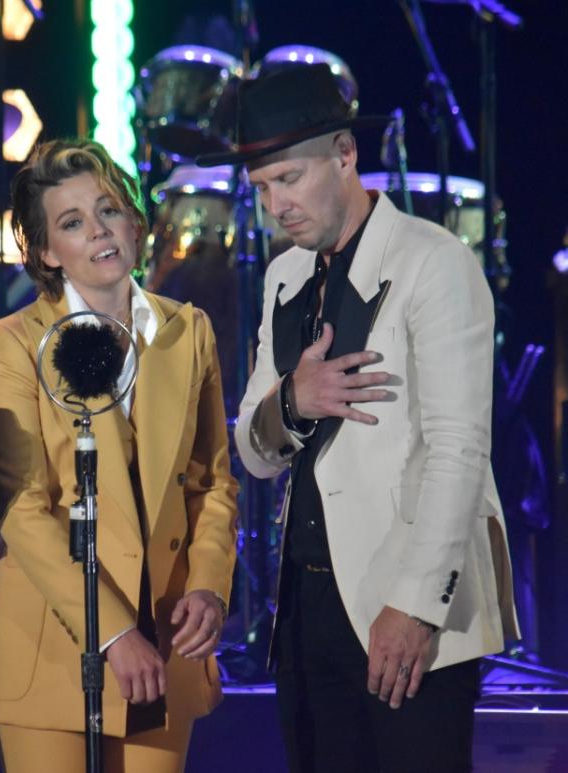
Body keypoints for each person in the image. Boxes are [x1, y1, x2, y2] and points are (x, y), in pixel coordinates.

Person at [197, 64, 519, 772]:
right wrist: (292, 401)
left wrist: (414, 605)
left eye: (288, 179)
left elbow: (458, 449)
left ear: (344, 155)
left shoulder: (432, 262)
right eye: (260, 189)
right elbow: (252, 449)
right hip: (308, 607)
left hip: (403, 602)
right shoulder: (283, 276)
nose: (275, 205)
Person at [0, 138, 238, 772]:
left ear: (135, 220)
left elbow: (211, 483)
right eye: (71, 223)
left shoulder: (187, 330)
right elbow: (22, 508)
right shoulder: (14, 343)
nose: (98, 231)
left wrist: (208, 587)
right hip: (52, 640)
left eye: (108, 210)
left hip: (167, 637)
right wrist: (112, 632)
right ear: (45, 253)